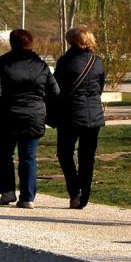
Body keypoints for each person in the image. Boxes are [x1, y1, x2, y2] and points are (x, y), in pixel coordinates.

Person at [0, 28, 59, 209]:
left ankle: (7, 192)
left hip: (8, 116)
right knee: (28, 156)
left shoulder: (3, 64)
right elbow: (55, 91)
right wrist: (44, 109)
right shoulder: (41, 66)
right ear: (30, 44)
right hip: (34, 116)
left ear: (12, 44)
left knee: (5, 155)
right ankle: (27, 197)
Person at [53, 26, 106, 210]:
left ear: (72, 41)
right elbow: (100, 87)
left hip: (70, 115)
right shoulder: (97, 61)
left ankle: (74, 191)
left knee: (65, 153)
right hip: (94, 115)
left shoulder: (66, 61)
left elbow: (56, 88)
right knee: (87, 156)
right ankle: (85, 194)